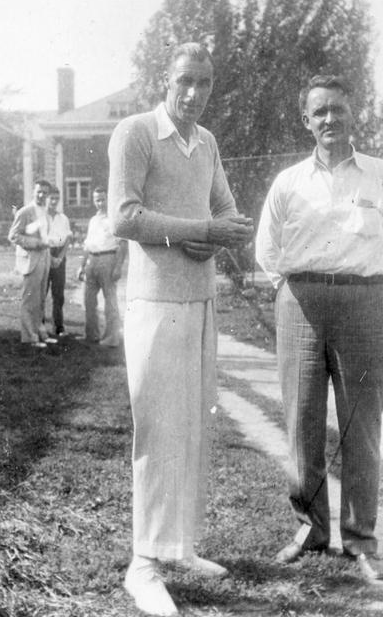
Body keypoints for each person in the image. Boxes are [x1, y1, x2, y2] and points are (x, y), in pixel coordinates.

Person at [108, 42, 252, 616]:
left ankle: (179, 546)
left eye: (204, 83)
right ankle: (142, 566)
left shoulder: (208, 141)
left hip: (200, 298)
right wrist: (198, 230)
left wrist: (217, 232)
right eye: (184, 80)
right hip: (155, 301)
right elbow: (125, 216)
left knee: (192, 426)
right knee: (158, 428)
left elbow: (228, 215)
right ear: (164, 79)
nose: (193, 93)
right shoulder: (136, 131)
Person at [256, 74, 383, 582]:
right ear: (306, 121)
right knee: (302, 420)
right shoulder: (289, 181)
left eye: (338, 109)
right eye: (320, 112)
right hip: (301, 302)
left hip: (364, 303)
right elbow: (266, 248)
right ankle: (310, 529)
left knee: (362, 424)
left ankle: (360, 538)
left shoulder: (377, 175)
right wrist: (285, 292)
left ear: (354, 114)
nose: (330, 119)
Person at [8, 178, 57, 348]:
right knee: (29, 300)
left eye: (45, 192)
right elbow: (13, 236)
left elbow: (43, 234)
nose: (42, 195)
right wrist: (36, 244)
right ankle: (29, 337)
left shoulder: (45, 211)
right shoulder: (25, 211)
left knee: (41, 299)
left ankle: (40, 334)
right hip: (31, 259)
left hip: (44, 258)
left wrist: (47, 242)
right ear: (33, 192)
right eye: (39, 192)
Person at [77, 186, 127, 347]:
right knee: (89, 301)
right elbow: (87, 244)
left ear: (108, 199)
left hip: (108, 259)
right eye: (96, 200)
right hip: (92, 260)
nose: (99, 203)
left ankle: (112, 337)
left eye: (102, 199)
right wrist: (81, 265)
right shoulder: (93, 220)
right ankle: (91, 335)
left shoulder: (114, 218)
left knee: (110, 300)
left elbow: (122, 244)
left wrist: (118, 267)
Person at [45, 186, 73, 336]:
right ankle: (39, 325)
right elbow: (40, 240)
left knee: (58, 294)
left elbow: (67, 239)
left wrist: (60, 258)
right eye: (52, 198)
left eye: (57, 198)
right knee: (42, 292)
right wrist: (50, 258)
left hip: (59, 255)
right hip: (45, 254)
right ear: (47, 199)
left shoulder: (63, 218)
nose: (54, 201)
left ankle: (58, 327)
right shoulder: (41, 217)